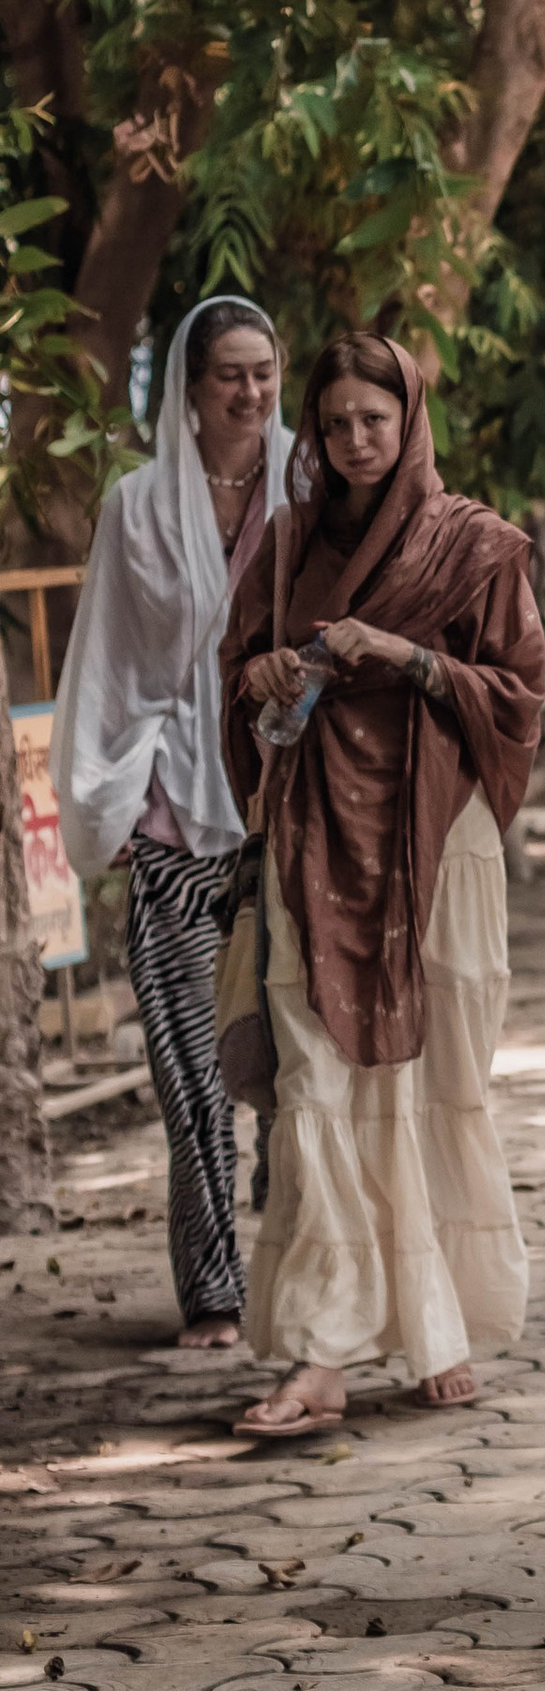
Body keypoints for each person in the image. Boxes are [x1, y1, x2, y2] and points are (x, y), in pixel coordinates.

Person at [221, 336, 545, 1437]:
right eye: (337, 423)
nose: (357, 441)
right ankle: (321, 1355)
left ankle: (431, 1322)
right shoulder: (287, 544)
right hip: (314, 841)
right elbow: (240, 672)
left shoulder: (478, 545)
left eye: (376, 419)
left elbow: (517, 694)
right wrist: (257, 675)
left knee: (430, 1076)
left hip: (435, 845)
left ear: (411, 420)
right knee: (317, 1085)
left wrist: (403, 658)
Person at [54, 299, 292, 1350]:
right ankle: (212, 1291)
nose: (250, 393)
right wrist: (104, 793)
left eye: (265, 371)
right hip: (169, 820)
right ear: (190, 391)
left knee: (296, 1060)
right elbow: (102, 657)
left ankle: (300, 1261)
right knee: (192, 1069)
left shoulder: (313, 490)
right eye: (229, 375)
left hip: (284, 814)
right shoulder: (136, 507)